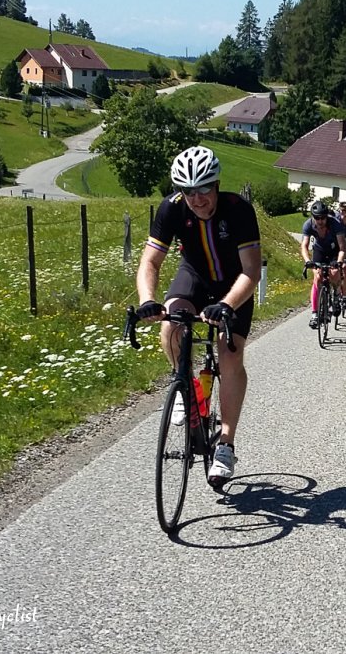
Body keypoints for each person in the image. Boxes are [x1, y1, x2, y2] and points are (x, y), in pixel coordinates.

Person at [136, 146, 261, 483]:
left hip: (235, 286)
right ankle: (188, 390)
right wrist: (148, 299)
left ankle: (226, 444)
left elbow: (251, 272)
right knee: (171, 328)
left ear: (217, 184)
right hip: (194, 275)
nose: (197, 198)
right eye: (188, 191)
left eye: (204, 188)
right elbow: (150, 261)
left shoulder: (238, 210)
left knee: (229, 357)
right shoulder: (172, 209)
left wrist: (228, 305)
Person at [300, 200, 346, 328]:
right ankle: (315, 314)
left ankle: (337, 295)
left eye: (323, 218)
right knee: (318, 278)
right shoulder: (308, 225)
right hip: (319, 251)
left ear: (327, 217)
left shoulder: (335, 224)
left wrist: (339, 262)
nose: (320, 221)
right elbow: (304, 246)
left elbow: (342, 247)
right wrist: (307, 261)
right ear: (313, 217)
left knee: (335, 272)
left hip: (334, 250)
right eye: (317, 218)